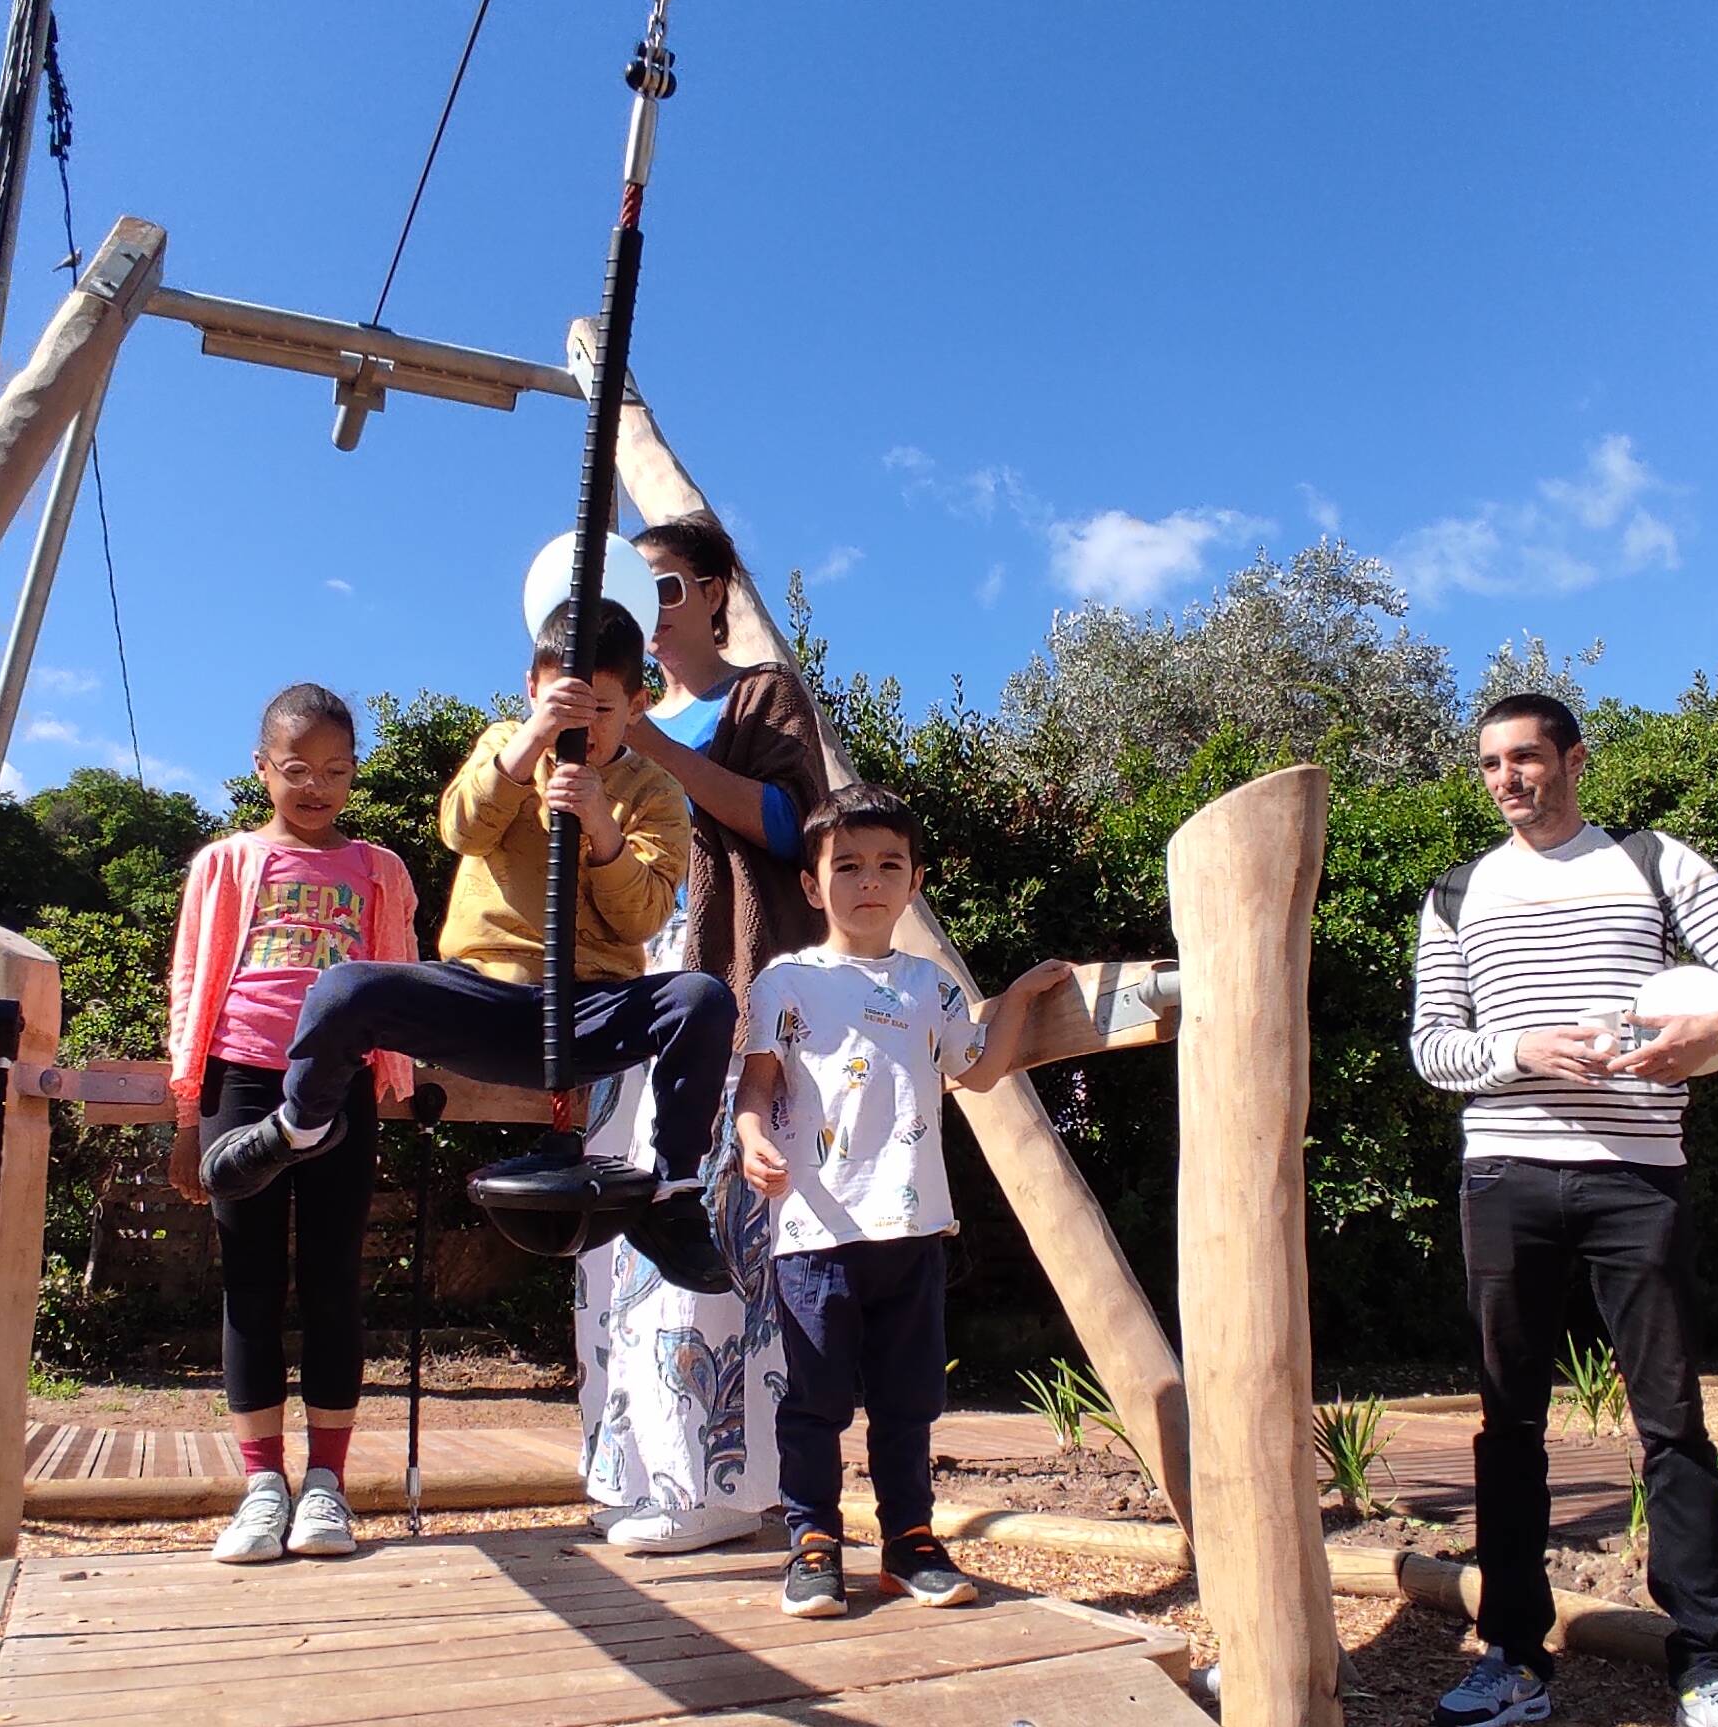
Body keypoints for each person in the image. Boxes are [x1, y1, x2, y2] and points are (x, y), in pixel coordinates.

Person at [1408, 692, 1718, 1727]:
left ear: (1575, 760)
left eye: (1527, 758)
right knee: (1507, 1423)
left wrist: (1717, 1030)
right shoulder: (1457, 893)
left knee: (1671, 1422)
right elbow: (1432, 1047)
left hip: (1638, 1177)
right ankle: (1512, 1653)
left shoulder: (1653, 864)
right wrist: (1521, 1052)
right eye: (1491, 764)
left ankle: (1705, 1664)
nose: (1507, 779)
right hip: (1503, 1176)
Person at [200, 599, 738, 1302]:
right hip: (484, 998)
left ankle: (673, 1192)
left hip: (588, 1010)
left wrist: (601, 826)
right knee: (344, 989)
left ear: (638, 706)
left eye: (601, 710)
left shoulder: (655, 791)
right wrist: (530, 745)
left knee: (701, 998)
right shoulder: (506, 743)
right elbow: (462, 829)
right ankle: (301, 1126)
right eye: (560, 706)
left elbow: (640, 916)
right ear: (531, 691)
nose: (580, 726)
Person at [735, 784, 1069, 1618]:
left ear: (915, 882)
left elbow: (978, 1071)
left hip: (914, 1228)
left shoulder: (932, 985)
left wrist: (1018, 999)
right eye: (847, 865)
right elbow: (757, 1084)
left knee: (907, 1402)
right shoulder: (786, 982)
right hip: (814, 1230)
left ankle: (909, 1544)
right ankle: (813, 1543)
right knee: (814, 1400)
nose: (869, 881)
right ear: (812, 884)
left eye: (889, 865)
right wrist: (750, 1137)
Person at [576, 511, 835, 1552]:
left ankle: (715, 1487)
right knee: (614, 1233)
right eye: (633, 592)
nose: (650, 609)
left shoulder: (760, 695)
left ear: (718, 590)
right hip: (624, 994)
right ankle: (632, 1470)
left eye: (668, 586)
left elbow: (790, 825)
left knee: (704, 1220)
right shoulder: (601, 715)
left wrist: (645, 741)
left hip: (720, 988)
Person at [166, 684, 420, 1564]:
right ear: (262, 768)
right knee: (250, 1280)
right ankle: (261, 1486)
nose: (317, 788)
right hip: (240, 1076)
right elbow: (194, 980)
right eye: (298, 769)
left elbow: (397, 970)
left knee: (333, 1277)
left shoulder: (380, 868)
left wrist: (393, 1071)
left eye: (337, 771)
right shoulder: (225, 862)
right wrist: (187, 1112)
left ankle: (326, 1487)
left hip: (338, 1084)